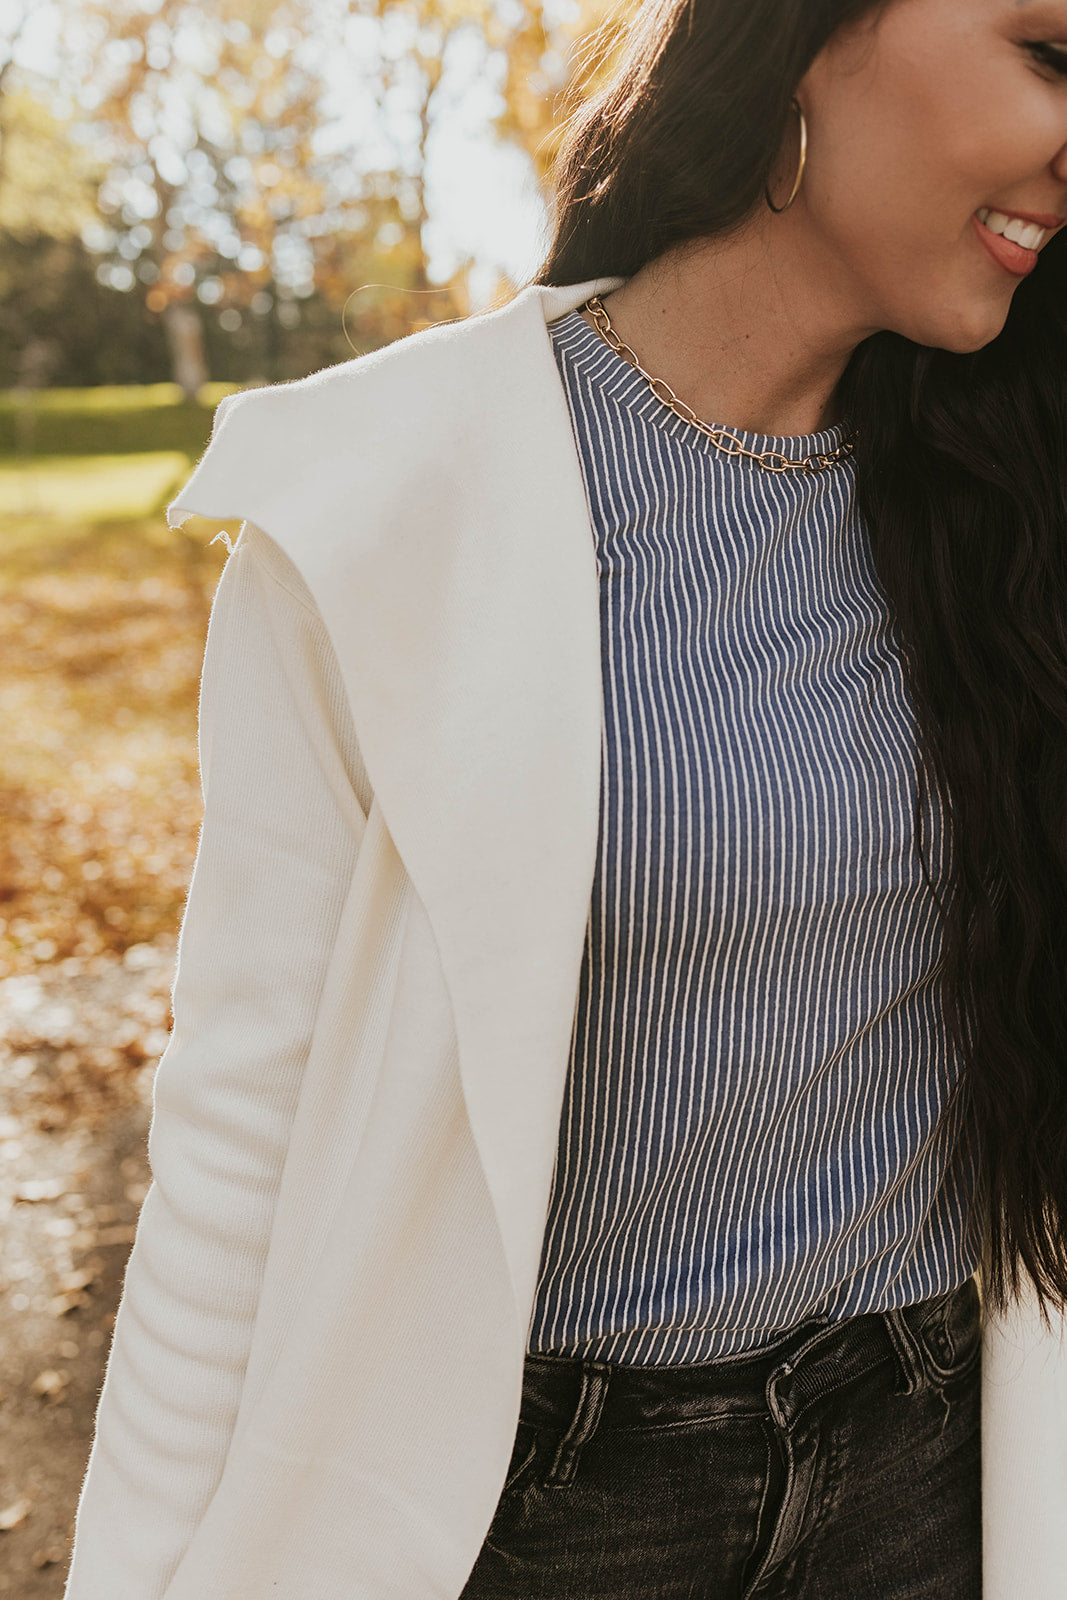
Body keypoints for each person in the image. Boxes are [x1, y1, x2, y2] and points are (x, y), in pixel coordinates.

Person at [63, 1, 1067, 1597]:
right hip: (546, 1512)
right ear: (809, 36)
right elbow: (244, 1115)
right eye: (1055, 61)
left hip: (934, 1469)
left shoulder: (1012, 498)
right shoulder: (382, 497)